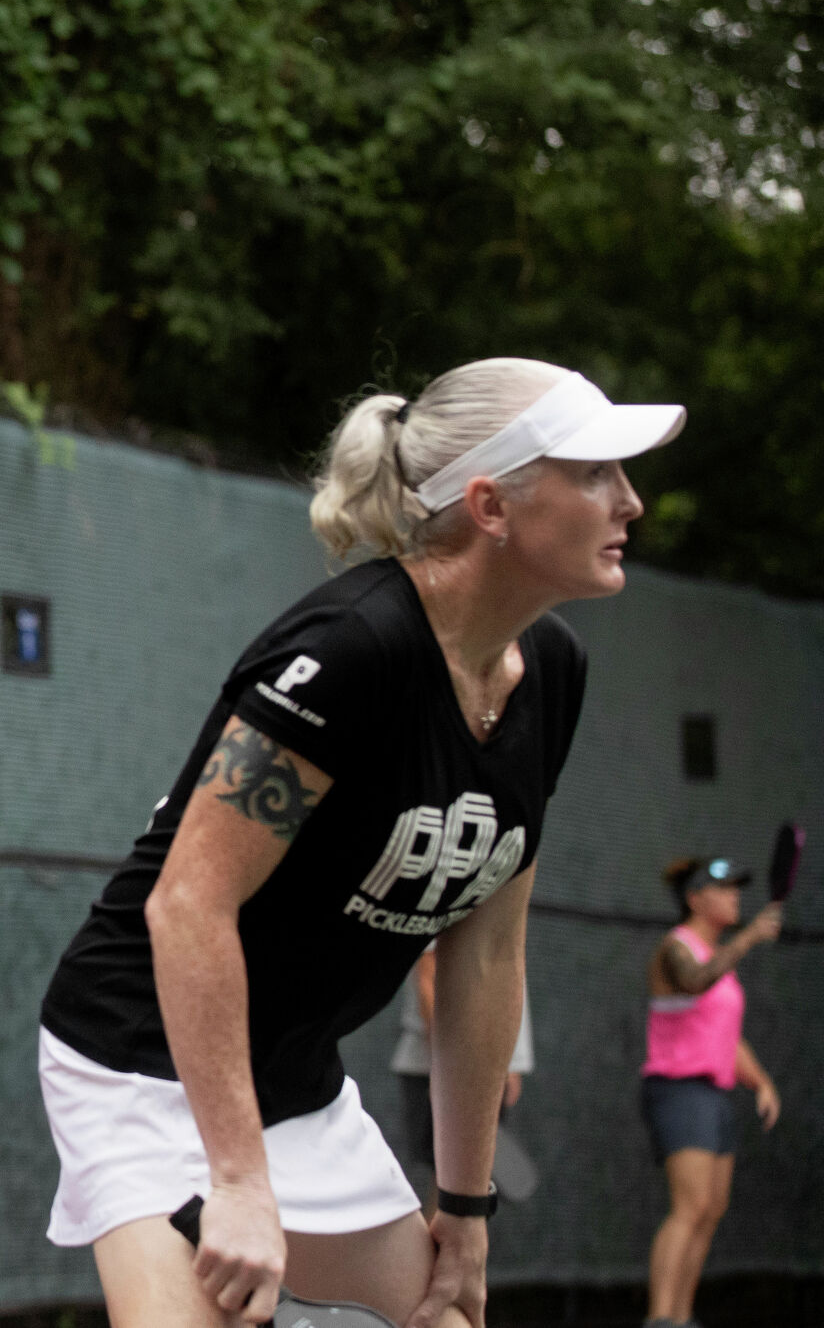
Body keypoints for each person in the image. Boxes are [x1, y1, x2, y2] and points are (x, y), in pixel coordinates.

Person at [38, 358, 685, 1328]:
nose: (627, 500)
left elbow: (486, 949)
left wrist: (465, 1215)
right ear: (489, 506)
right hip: (143, 1061)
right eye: (592, 473)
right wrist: (238, 1178)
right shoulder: (348, 648)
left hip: (297, 1082)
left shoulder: (550, 670)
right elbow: (186, 904)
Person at [640, 856, 783, 1328]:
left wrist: (760, 1080)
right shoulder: (675, 949)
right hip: (678, 1091)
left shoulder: (721, 961)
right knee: (690, 1206)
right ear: (695, 899)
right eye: (723, 888)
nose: (735, 896)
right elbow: (694, 981)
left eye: (737, 888)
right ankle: (659, 1319)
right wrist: (750, 937)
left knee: (711, 1209)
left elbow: (725, 1035)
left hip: (716, 1094)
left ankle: (682, 1319)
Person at [390, 943, 533, 1211]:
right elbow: (428, 975)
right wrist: (446, 1064)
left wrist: (512, 1060)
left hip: (478, 1068)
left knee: (464, 1190)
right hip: (448, 1068)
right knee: (453, 1190)